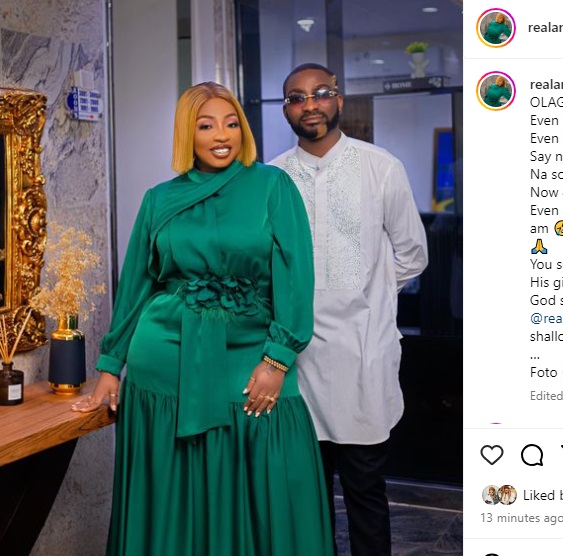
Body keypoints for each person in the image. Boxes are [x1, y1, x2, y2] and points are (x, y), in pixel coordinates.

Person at [73, 82, 332, 555]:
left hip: (252, 352)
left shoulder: (273, 186)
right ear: (186, 134)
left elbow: (296, 275)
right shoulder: (159, 198)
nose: (222, 135)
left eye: (231, 124)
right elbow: (136, 284)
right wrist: (110, 365)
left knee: (273, 475)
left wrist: (277, 359)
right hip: (165, 358)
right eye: (206, 125)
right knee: (172, 482)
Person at [270, 63, 428, 556]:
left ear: (338, 100)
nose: (309, 105)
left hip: (363, 355)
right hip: (296, 363)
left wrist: (368, 290)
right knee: (305, 495)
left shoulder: (381, 168)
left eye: (320, 93)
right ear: (286, 110)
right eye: (297, 97)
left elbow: (413, 254)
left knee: (365, 491)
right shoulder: (272, 177)